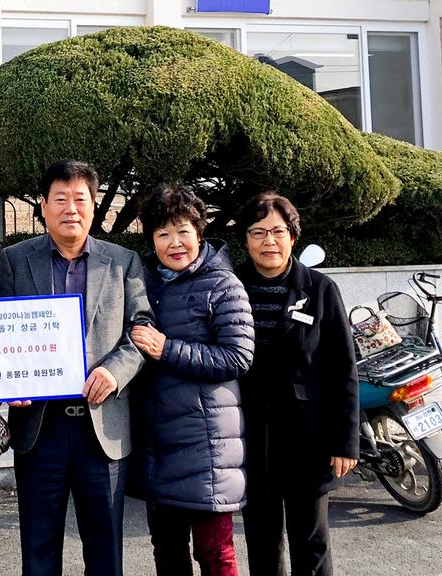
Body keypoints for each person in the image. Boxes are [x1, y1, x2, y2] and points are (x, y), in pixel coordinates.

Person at [0, 159, 153, 576]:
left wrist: (114, 372)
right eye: (60, 199)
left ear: (94, 206)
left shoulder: (122, 261)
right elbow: (2, 333)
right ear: (43, 206)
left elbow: (141, 329)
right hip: (39, 428)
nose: (71, 209)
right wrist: (10, 381)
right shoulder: (16, 261)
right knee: (39, 551)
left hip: (101, 429)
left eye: (80, 199)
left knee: (105, 554)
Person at [129, 184, 255, 576]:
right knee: (167, 551)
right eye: (163, 233)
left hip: (208, 446)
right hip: (158, 442)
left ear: (199, 232)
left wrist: (167, 349)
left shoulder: (222, 284)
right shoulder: (143, 283)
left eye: (183, 231)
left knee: (214, 553)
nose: (175, 243)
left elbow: (238, 356)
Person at [234, 192, 359, 576]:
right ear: (246, 239)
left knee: (311, 540)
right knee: (261, 539)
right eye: (258, 232)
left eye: (278, 231)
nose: (268, 241)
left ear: (292, 236)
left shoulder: (319, 289)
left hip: (309, 438)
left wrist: (345, 441)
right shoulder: (230, 287)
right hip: (249, 435)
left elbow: (343, 368)